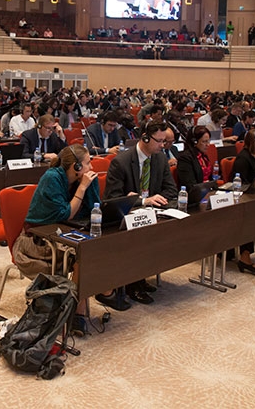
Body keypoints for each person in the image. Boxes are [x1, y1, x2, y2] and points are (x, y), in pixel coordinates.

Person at [21, 145, 103, 330]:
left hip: (61, 235)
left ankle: (80, 308)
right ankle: (79, 311)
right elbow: (66, 214)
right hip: (36, 240)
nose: (91, 167)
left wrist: (90, 186)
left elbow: (94, 208)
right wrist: (82, 187)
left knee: (93, 252)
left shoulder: (83, 178)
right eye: (88, 163)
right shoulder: (52, 178)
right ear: (76, 167)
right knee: (85, 257)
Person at [105, 121, 176, 304]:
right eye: (159, 141)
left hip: (152, 213)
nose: (163, 145)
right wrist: (142, 200)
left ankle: (141, 278)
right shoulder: (121, 162)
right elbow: (113, 199)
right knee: (141, 237)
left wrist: (151, 200)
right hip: (125, 218)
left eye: (164, 141)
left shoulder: (160, 159)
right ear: (145, 137)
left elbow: (170, 191)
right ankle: (132, 283)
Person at [229, 128, 255, 273]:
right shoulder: (243, 158)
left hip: (254, 195)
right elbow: (240, 184)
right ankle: (244, 257)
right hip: (239, 197)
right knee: (249, 215)